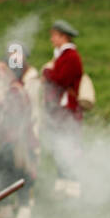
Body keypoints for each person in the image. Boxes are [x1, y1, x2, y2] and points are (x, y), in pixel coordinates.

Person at [0, 46, 40, 218]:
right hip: (15, 140)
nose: (0, 73)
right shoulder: (13, 89)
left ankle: (16, 213)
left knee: (6, 175)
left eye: (3, 69)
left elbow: (15, 118)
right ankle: (11, 211)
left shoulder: (15, 91)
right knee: (14, 175)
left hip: (17, 141)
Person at [40, 19, 83, 199]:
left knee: (68, 146)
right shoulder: (62, 55)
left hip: (67, 111)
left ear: (63, 37)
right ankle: (63, 183)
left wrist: (46, 73)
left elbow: (61, 80)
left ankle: (73, 185)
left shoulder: (71, 57)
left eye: (55, 36)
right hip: (60, 110)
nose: (52, 39)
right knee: (60, 146)